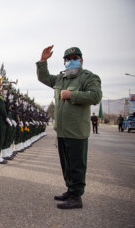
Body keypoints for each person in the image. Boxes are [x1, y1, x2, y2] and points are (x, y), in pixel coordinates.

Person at [37, 46, 102, 209]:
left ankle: (76, 196)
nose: (71, 61)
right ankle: (70, 190)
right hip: (62, 131)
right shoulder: (61, 78)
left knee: (76, 165)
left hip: (77, 131)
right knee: (66, 164)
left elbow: (95, 96)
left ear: (81, 61)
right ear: (65, 62)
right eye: (68, 59)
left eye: (75, 58)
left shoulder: (89, 77)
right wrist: (43, 61)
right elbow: (44, 77)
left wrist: (72, 95)